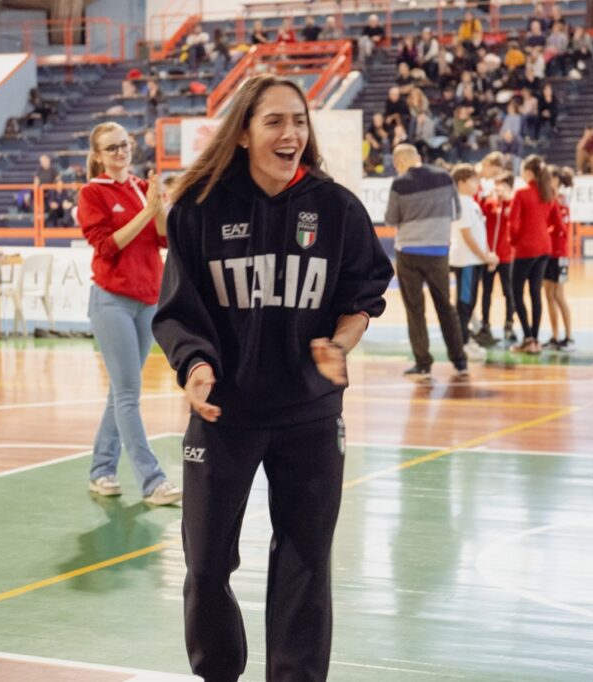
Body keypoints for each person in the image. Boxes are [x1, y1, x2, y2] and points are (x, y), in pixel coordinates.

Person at [152, 75, 393, 682]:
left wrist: (339, 344)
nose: (292, 133)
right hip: (224, 414)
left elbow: (361, 297)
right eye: (275, 121)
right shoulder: (199, 210)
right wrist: (195, 366)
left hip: (309, 415)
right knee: (206, 565)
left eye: (299, 121)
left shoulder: (335, 208)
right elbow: (178, 311)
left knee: (306, 563)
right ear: (243, 133)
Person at [77, 122, 181, 506]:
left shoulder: (141, 188)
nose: (121, 152)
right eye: (112, 148)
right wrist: (147, 211)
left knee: (121, 392)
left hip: (148, 300)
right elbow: (107, 246)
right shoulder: (92, 193)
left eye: (124, 144)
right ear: (98, 155)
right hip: (112, 302)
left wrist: (160, 207)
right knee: (127, 394)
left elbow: (164, 238)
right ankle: (152, 480)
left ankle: (101, 470)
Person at [385, 144, 469, 380]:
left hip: (408, 251)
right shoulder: (445, 177)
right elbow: (457, 213)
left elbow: (391, 218)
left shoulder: (400, 183)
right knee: (445, 307)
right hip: (438, 252)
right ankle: (460, 361)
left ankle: (423, 365)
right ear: (418, 157)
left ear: (399, 163)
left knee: (415, 309)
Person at [508, 154, 562, 354]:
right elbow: (558, 225)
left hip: (525, 249)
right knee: (535, 293)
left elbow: (512, 224)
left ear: (528, 173)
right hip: (544, 248)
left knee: (516, 292)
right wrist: (543, 234)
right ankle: (536, 340)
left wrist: (514, 242)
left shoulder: (521, 193)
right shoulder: (549, 193)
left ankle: (528, 338)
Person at [449, 164, 498, 358]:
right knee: (464, 303)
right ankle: (461, 344)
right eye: (473, 180)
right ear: (461, 183)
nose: (477, 183)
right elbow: (467, 236)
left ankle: (466, 339)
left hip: (474, 260)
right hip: (465, 261)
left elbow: (479, 233)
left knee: (470, 302)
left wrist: (488, 255)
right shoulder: (460, 203)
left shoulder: (472, 203)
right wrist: (485, 256)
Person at [480, 171, 516, 345]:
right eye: (496, 184)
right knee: (486, 291)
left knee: (509, 292)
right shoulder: (489, 202)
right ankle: (485, 325)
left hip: (506, 256)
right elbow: (481, 218)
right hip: (489, 256)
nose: (497, 187)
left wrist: (508, 199)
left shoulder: (513, 202)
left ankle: (509, 324)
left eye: (501, 184)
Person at [543, 166, 574, 351]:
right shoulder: (548, 200)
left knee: (559, 295)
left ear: (556, 180)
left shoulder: (561, 201)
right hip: (547, 253)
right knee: (548, 295)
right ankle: (554, 336)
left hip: (559, 254)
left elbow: (562, 229)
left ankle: (569, 337)